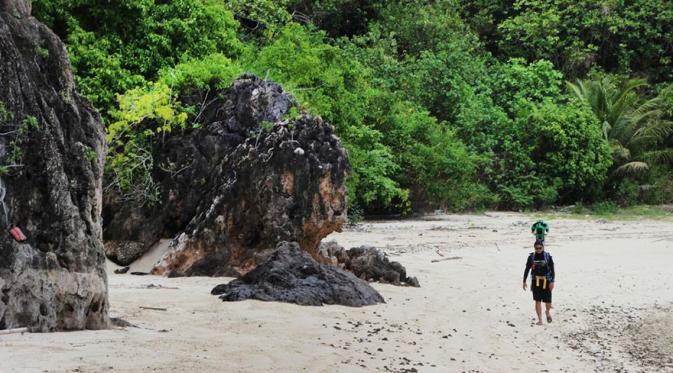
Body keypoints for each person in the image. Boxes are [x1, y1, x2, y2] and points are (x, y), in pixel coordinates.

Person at [523, 240, 555, 325]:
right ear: (534, 248)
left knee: (548, 301)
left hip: (546, 280)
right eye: (536, 248)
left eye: (540, 248)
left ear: (543, 247)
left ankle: (547, 312)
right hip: (535, 281)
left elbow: (552, 269)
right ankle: (540, 319)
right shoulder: (531, 257)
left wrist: (552, 281)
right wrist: (524, 281)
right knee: (537, 300)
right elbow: (527, 269)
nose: (538, 250)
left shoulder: (548, 256)